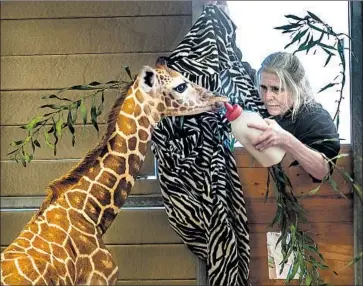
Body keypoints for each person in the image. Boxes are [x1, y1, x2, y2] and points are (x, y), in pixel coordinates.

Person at [247, 52, 340, 181]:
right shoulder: (259, 103)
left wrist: (286, 140)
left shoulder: (315, 117)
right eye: (263, 87)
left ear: (296, 87)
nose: (267, 97)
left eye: (276, 89)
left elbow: (324, 171)